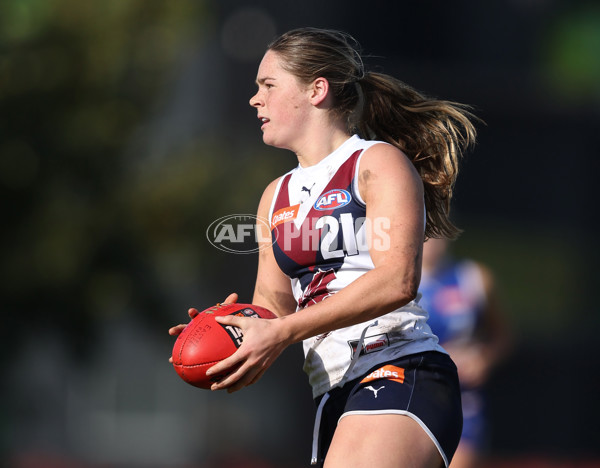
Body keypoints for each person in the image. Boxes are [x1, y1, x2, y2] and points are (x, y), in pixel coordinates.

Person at [169, 27, 478, 468]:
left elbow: (398, 281)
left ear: (317, 90)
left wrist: (280, 332)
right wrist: (230, 334)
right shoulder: (275, 195)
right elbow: (272, 307)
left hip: (397, 364)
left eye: (268, 85)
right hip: (331, 389)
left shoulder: (375, 163)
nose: (254, 99)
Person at [419, 238, 511, 468]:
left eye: (438, 232)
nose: (432, 241)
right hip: (411, 390)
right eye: (426, 232)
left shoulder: (474, 278)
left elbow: (503, 335)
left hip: (461, 397)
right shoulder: (394, 280)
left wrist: (485, 359)